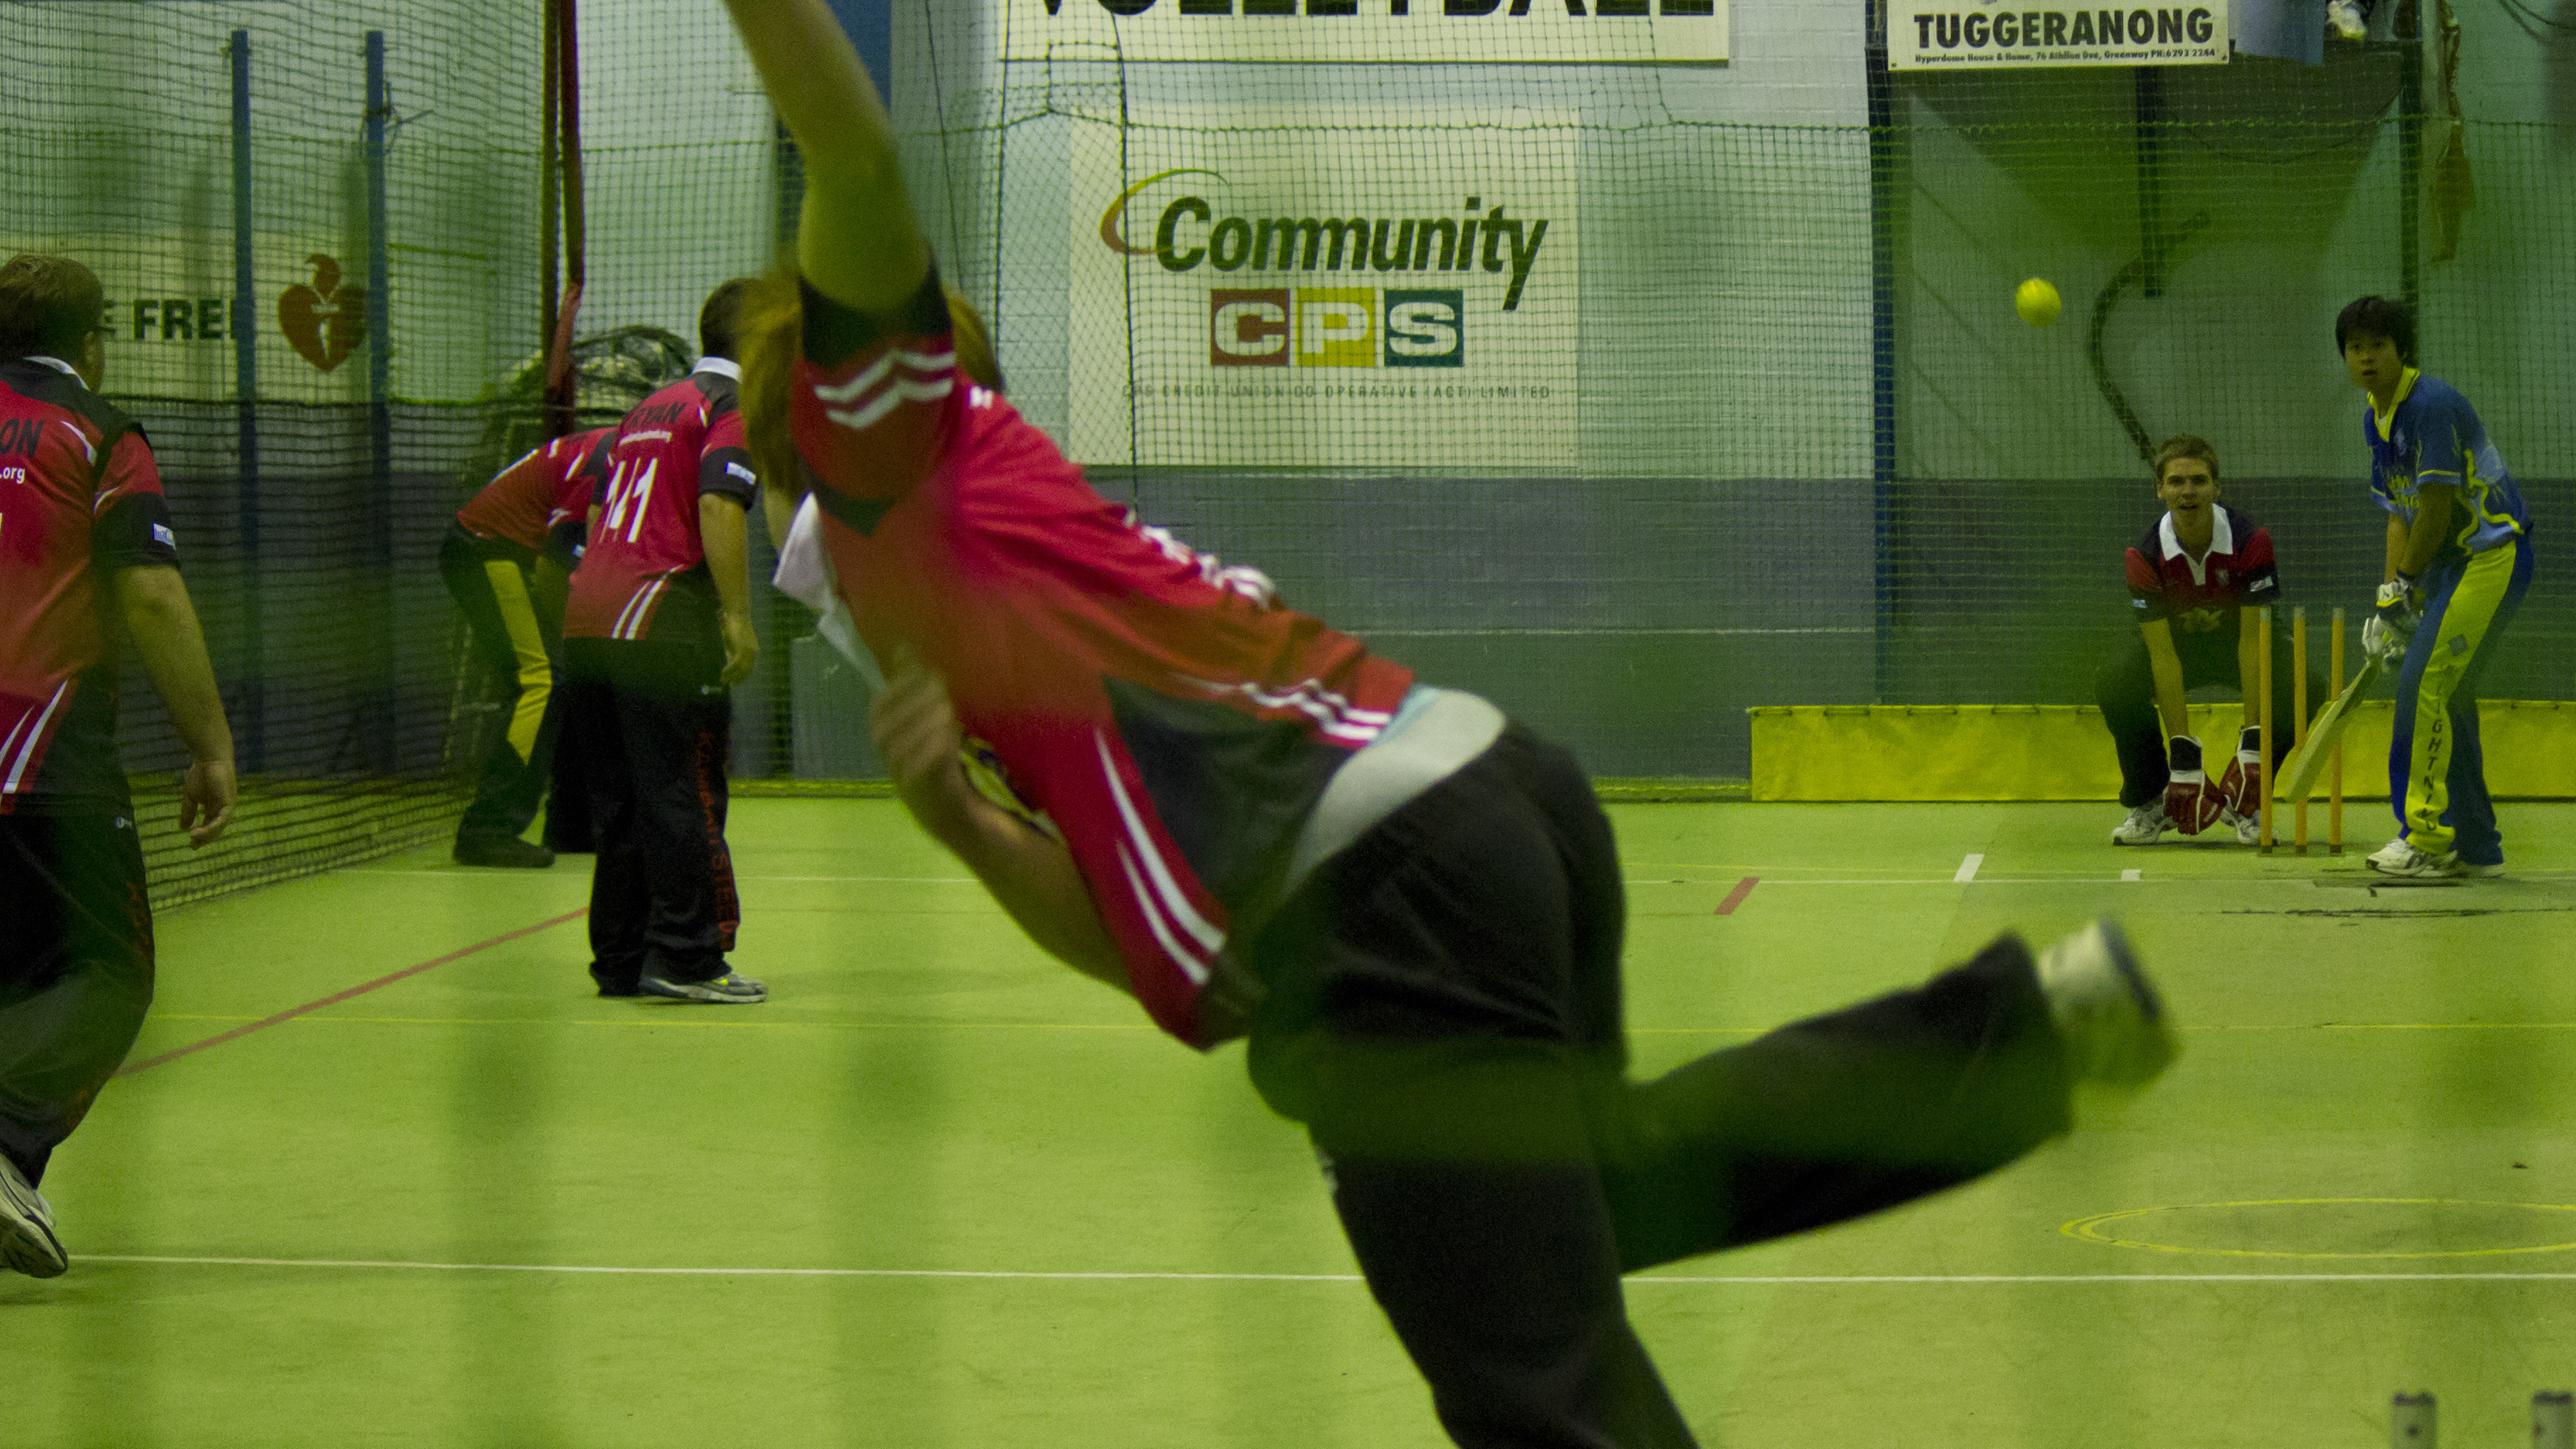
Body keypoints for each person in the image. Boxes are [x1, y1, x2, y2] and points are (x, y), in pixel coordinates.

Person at [724, 4, 2180, 1443]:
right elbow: (1144, 954)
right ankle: (2018, 1035)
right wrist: (965, 829)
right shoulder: (986, 623)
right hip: (1488, 803)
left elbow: (850, 158)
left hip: (1379, 909)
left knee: (1530, 1386)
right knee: (1600, 1193)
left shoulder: (889, 454)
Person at [0, 253, 236, 1278]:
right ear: (92, 336)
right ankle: (7, 1145)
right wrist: (211, 745)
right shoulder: (98, 430)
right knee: (110, 974)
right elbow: (150, 595)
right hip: (45, 756)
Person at [557, 282, 766, 1002]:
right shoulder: (734, 409)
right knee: (680, 790)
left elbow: (596, 505)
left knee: (620, 802)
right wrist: (737, 616)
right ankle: (686, 957)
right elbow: (718, 502)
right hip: (658, 612)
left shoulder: (652, 403)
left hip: (587, 613)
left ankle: (619, 960)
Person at [2337, 295, 2534, 878]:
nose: (2366, 358)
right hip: (2448, 566)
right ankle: (2476, 846)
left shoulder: (2430, 405)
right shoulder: (2376, 416)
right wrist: (2387, 597)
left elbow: (2435, 506)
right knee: (2447, 695)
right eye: (2355, 348)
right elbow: (2397, 513)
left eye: (2378, 345)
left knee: (2423, 683)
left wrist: (2404, 585)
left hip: (2491, 556)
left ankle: (2423, 836)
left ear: (2402, 351)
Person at [2097, 435, 2320, 847]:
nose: (2188, 492)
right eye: (2177, 482)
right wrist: (2183, 755)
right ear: (2159, 489)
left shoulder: (2251, 541)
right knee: (2116, 682)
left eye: (2199, 481)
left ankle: (2247, 798)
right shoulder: (2143, 556)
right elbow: (2162, 655)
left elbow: (2253, 643)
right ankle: (2153, 799)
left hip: (2241, 646)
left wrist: (2252, 744)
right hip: (2177, 651)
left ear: (2217, 487)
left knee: (2307, 683)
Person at [440, 425, 614, 867]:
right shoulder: (611, 464)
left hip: (510, 553)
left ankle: (570, 827)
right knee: (540, 682)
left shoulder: (623, 449)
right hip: (490, 552)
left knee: (565, 679)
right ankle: (487, 830)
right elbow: (558, 561)